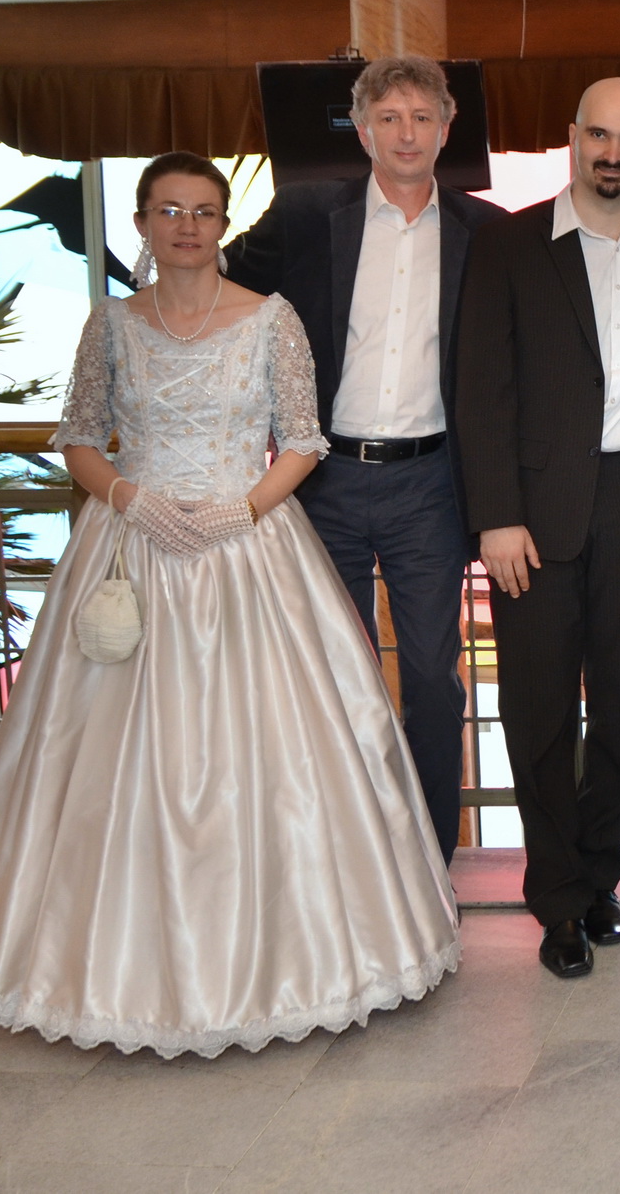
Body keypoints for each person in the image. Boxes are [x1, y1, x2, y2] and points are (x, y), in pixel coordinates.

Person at [0, 153, 458, 1057]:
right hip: (131, 547)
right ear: (142, 221)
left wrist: (240, 510)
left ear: (223, 225)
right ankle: (102, 970)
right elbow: (79, 439)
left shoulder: (271, 319)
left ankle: (300, 960)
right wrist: (126, 497)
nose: (187, 226)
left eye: (204, 211)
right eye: (169, 210)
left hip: (246, 547)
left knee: (282, 751)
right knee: (99, 756)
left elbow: (303, 441)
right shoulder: (110, 324)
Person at [224, 55, 506, 863]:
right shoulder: (308, 213)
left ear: (446, 129)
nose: (406, 133)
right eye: (389, 118)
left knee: (431, 679)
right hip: (323, 480)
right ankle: (348, 865)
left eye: (421, 117)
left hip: (432, 485)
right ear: (362, 129)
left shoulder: (487, 232)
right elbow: (220, 287)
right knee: (332, 677)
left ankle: (428, 863)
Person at [456, 79, 620, 979]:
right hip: (533, 515)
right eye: (598, 134)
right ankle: (556, 897)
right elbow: (480, 387)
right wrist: (495, 516)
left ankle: (598, 877)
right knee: (538, 710)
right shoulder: (511, 243)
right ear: (572, 137)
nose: (612, 152)